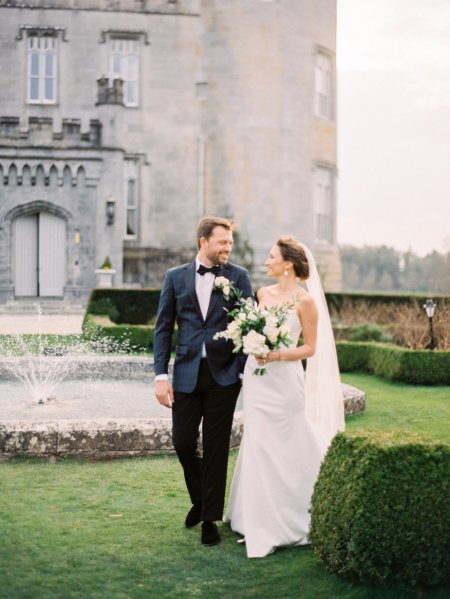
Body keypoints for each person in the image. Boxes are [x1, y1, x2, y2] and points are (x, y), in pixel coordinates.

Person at [224, 237, 345, 558]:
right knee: (258, 441)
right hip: (257, 377)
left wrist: (277, 355)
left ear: (288, 263)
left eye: (271, 256)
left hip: (285, 379)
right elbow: (248, 328)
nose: (267, 261)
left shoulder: (305, 302)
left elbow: (310, 348)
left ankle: (304, 506)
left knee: (290, 437)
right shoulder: (262, 293)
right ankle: (256, 516)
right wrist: (251, 344)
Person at [154, 216, 253, 546]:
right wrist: (160, 376)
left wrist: (240, 369)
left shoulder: (238, 277)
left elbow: (249, 324)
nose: (228, 248)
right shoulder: (175, 278)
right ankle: (200, 498)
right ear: (203, 241)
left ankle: (210, 518)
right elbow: (163, 329)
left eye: (230, 243)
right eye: (222, 242)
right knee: (182, 442)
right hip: (184, 374)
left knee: (216, 448)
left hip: (224, 378)